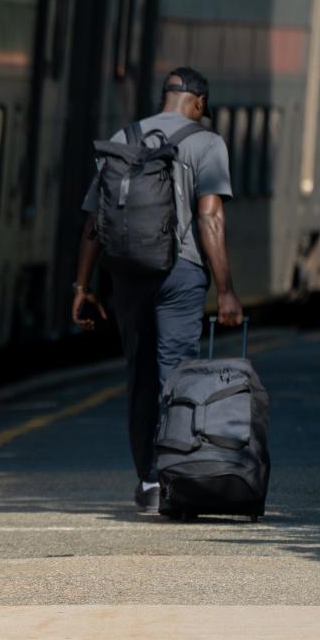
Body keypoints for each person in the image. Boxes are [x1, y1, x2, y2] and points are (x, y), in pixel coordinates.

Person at [71, 67, 244, 515]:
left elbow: (94, 219)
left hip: (126, 275)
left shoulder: (123, 135)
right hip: (180, 275)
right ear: (199, 102)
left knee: (141, 377)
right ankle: (177, 480)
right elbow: (210, 219)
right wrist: (225, 290)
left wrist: (82, 285)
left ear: (164, 97)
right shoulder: (207, 143)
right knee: (177, 377)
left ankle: (149, 482)